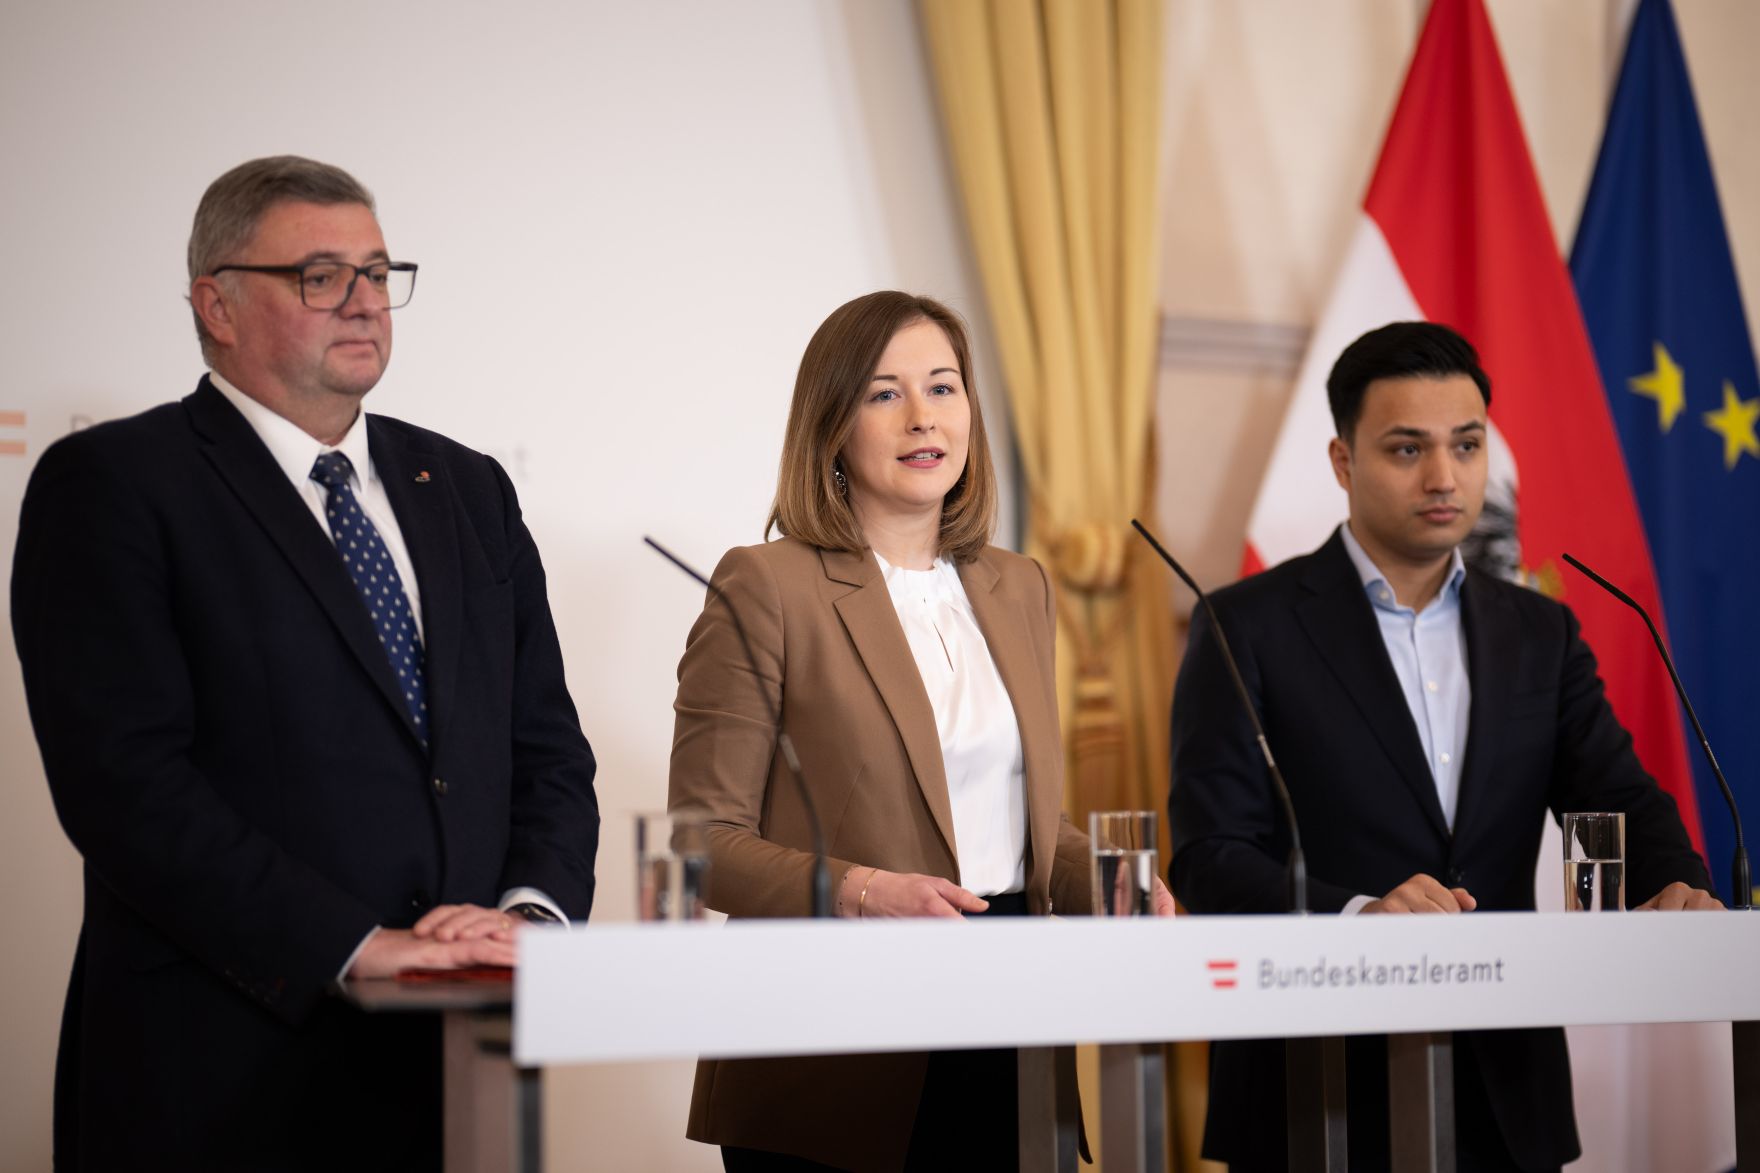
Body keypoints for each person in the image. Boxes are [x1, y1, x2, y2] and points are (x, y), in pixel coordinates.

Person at [12, 155, 601, 1171]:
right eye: (320, 276)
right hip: (221, 1076)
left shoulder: (465, 488)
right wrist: (360, 945)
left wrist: (528, 919)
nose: (364, 301)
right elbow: (126, 788)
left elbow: (543, 748)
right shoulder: (114, 485)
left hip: (457, 1070)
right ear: (219, 305)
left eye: (378, 272)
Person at [1168, 320, 1719, 1173]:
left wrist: (1679, 885)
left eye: (1467, 445)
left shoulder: (1542, 630)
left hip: (1504, 1089)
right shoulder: (1246, 627)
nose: (1444, 476)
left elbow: (1615, 798)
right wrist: (1361, 916)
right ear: (1343, 462)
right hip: (1317, 1092)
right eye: (1406, 448)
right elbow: (1210, 856)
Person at [668, 290, 1173, 1172]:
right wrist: (864, 888)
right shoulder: (767, 583)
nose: (921, 417)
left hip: (1011, 1013)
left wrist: (1118, 885)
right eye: (882, 393)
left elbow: (1022, 822)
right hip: (835, 1041)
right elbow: (701, 843)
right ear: (832, 424)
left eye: (942, 387)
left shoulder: (1019, 586)